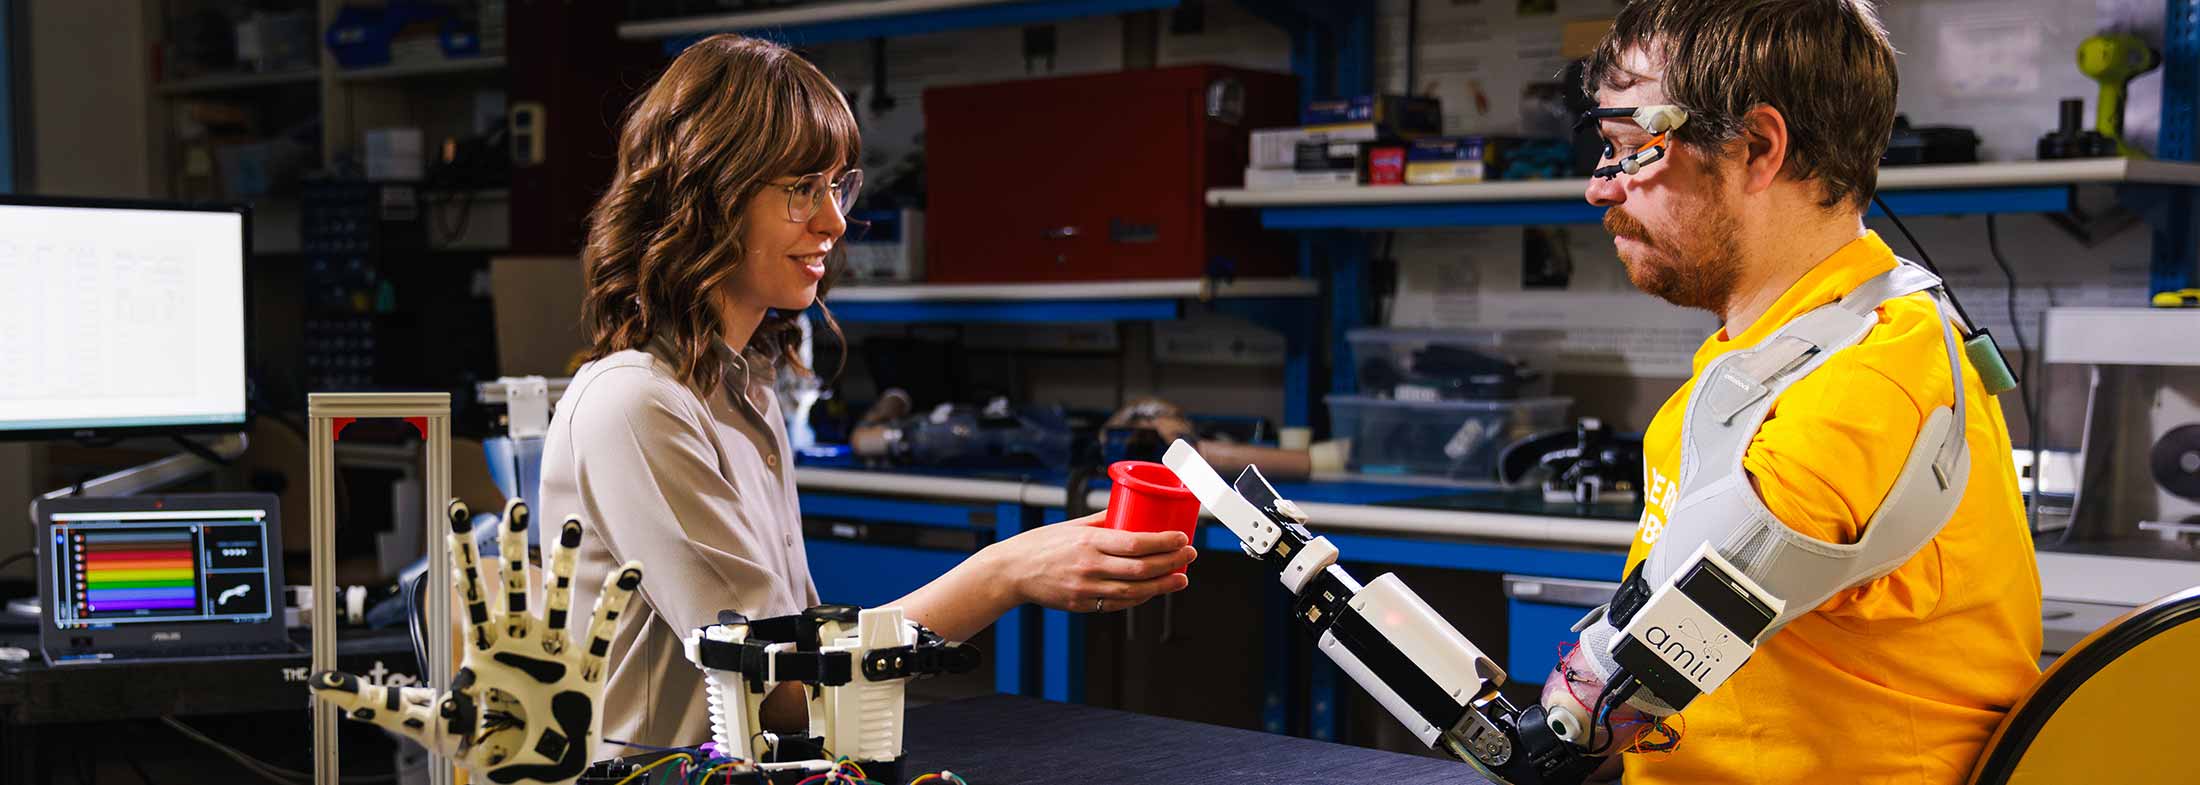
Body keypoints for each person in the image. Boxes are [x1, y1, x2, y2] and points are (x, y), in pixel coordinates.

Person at [540, 34, 1198, 759]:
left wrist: (1042, 557)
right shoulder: (636, 405)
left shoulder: (744, 391)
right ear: (708, 194)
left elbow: (806, 664)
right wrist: (1007, 570)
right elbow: (782, 693)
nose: (834, 221)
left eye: (837, 185)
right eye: (800, 189)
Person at [1547, 1, 2044, 782]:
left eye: (1636, 149)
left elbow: (1644, 663)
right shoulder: (1796, 345)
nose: (1600, 188)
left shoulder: (1864, 378)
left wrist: (1558, 716)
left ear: (1757, 147)